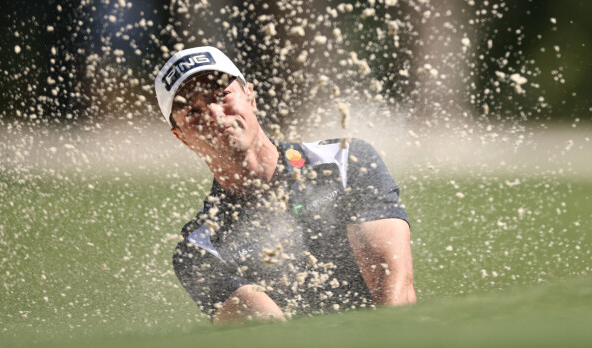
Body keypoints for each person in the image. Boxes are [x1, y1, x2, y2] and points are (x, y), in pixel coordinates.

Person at [156, 45, 416, 324]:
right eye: (193, 112)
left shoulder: (346, 161)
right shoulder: (198, 249)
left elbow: (393, 293)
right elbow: (270, 334)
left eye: (222, 95)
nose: (215, 114)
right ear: (181, 136)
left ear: (250, 96)